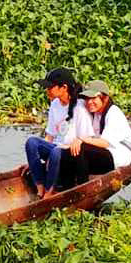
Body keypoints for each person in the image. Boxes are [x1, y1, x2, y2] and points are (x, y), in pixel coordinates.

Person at [22, 68, 92, 198]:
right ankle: (40, 189)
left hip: (72, 153)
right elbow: (50, 135)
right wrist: (34, 160)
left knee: (56, 151)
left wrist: (66, 147)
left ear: (63, 88)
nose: (47, 91)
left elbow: (86, 138)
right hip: (57, 149)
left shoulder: (80, 108)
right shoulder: (54, 104)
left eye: (50, 87)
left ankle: (49, 193)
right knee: (31, 142)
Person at [63, 80, 131, 183]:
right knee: (70, 152)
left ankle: (82, 185)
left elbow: (104, 143)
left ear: (104, 97)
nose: (89, 102)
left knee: (81, 148)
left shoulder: (114, 114)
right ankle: (67, 185)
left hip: (120, 155)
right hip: (106, 153)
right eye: (87, 99)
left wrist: (81, 140)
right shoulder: (97, 113)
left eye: (93, 98)